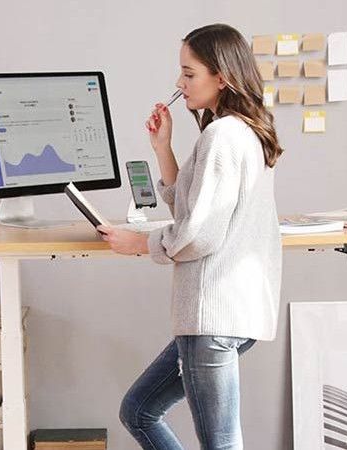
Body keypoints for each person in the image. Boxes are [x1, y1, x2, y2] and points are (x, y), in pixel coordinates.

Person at [96, 23, 284, 450]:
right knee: (139, 410)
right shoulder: (238, 131)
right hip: (229, 313)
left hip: (212, 315)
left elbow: (197, 234)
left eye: (188, 73)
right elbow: (191, 210)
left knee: (219, 443)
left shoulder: (223, 136)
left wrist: (138, 244)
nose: (179, 85)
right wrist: (163, 147)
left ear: (222, 76)